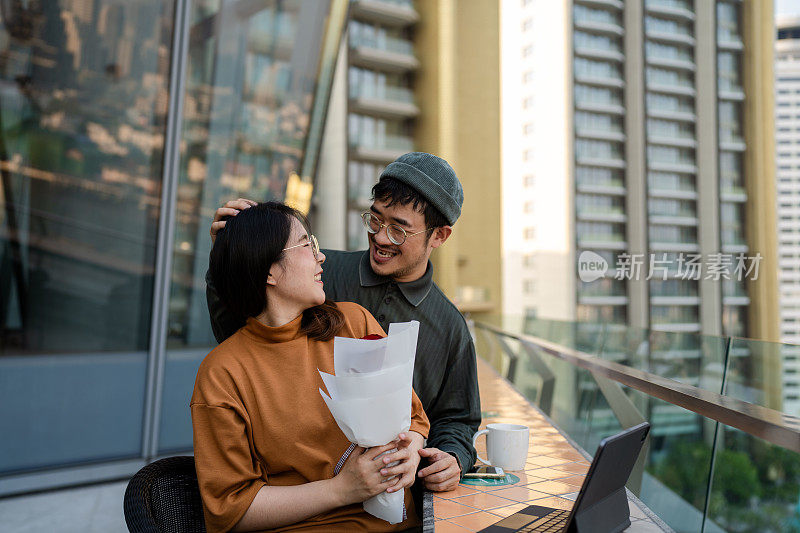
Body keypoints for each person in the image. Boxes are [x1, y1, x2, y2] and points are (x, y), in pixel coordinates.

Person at [207, 152, 481, 492]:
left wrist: (453, 456)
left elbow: (458, 418)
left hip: (395, 493)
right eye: (376, 220)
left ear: (439, 236)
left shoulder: (451, 327)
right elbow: (241, 339)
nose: (381, 237)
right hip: (297, 487)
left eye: (398, 229)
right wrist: (233, 261)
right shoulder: (317, 278)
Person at [193, 202, 430, 532]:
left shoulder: (354, 323)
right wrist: (340, 490)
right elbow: (230, 511)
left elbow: (414, 419)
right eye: (306, 245)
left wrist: (412, 454)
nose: (321, 257)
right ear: (268, 271)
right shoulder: (222, 374)